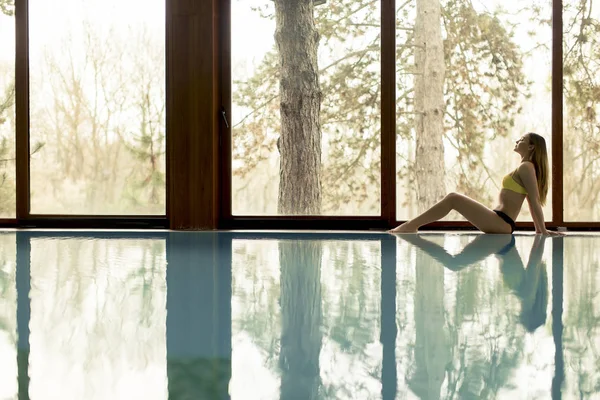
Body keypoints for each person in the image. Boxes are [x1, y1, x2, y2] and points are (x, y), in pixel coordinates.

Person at [389, 133, 564, 235]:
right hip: (500, 220)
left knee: (453, 198)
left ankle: (411, 226)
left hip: (502, 222)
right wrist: (540, 230)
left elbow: (533, 200)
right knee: (453, 199)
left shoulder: (526, 167)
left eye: (522, 139)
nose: (517, 141)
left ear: (532, 147)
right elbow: (531, 201)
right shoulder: (524, 167)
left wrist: (542, 231)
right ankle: (411, 226)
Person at [395, 233, 551, 332]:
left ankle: (415, 239)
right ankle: (414, 239)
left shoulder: (523, 293)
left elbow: (530, 262)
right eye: (523, 315)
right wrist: (541, 234)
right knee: (454, 264)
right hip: (500, 245)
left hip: (499, 247)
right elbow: (534, 259)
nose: (520, 312)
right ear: (530, 312)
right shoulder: (526, 292)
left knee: (454, 264)